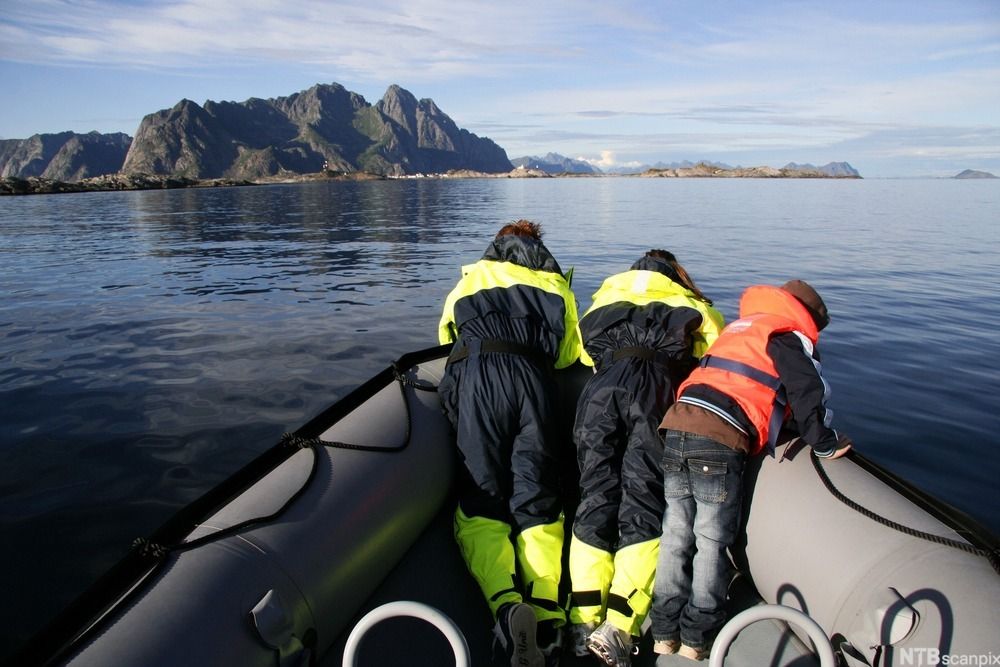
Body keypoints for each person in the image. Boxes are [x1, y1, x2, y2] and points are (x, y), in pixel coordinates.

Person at [649, 280, 853, 661]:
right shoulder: (787, 335)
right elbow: (807, 392)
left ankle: (662, 631)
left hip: (677, 425)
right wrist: (824, 442)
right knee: (711, 540)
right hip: (718, 436)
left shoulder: (741, 329)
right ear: (808, 318)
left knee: (675, 532)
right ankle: (697, 637)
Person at [565, 250, 725, 667]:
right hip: (653, 394)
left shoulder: (605, 296)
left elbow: (584, 355)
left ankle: (582, 621)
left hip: (600, 393)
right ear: (676, 274)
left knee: (594, 497)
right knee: (643, 501)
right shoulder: (693, 306)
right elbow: (715, 359)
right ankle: (619, 624)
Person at [437, 220, 582, 667]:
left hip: (478, 375)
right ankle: (545, 610)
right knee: (537, 495)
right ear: (538, 247)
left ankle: (505, 603)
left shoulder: (470, 279)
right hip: (533, 381)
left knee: (483, 496)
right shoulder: (556, 285)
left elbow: (446, 337)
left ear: (495, 245)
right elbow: (569, 354)